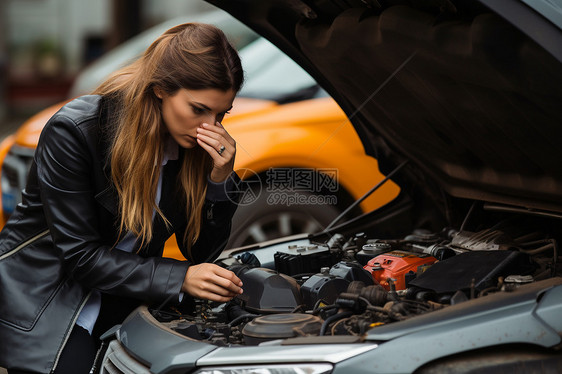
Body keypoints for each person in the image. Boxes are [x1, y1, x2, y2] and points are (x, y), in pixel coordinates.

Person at [0, 22, 245, 374]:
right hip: (47, 304)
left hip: (124, 298)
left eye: (221, 114)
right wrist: (179, 278)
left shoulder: (191, 147)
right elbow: (79, 256)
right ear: (160, 89)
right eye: (198, 109)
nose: (211, 127)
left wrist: (219, 181)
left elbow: (199, 253)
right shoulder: (77, 130)